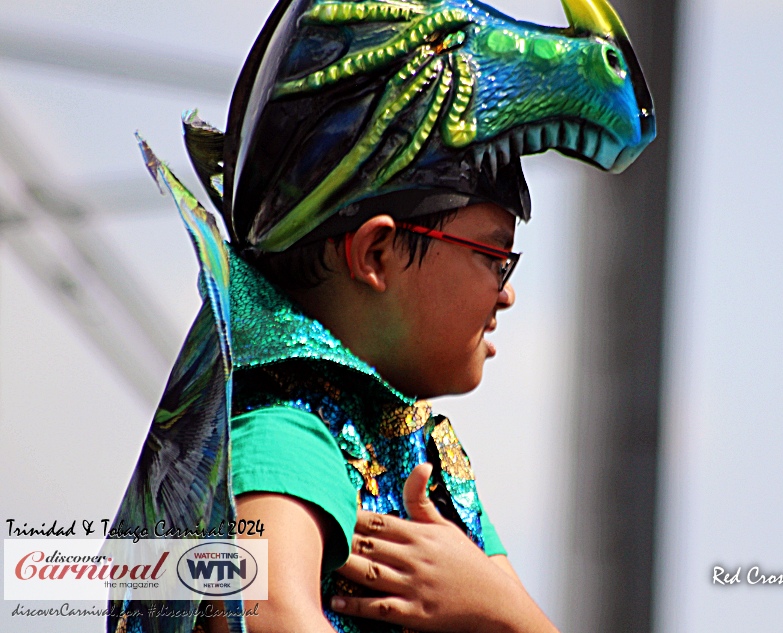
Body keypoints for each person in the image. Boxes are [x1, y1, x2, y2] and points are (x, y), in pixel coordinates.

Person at [107, 0, 655, 631]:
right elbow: (271, 614)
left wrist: (496, 605)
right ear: (375, 252)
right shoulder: (288, 435)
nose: (506, 294)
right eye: (495, 259)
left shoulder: (425, 457)